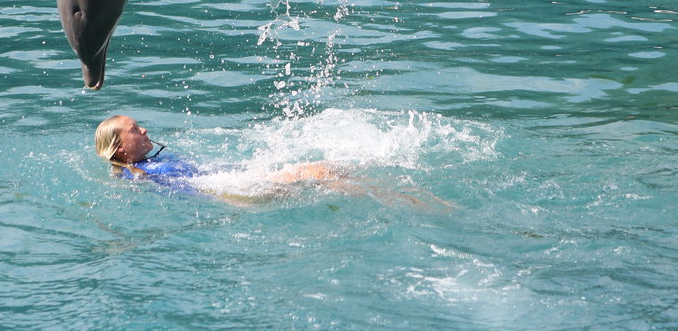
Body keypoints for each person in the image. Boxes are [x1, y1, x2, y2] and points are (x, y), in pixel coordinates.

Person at [94, 114, 450, 207]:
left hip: (229, 184)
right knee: (323, 173)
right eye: (134, 130)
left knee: (328, 169)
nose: (144, 130)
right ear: (120, 148)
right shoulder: (139, 174)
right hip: (231, 194)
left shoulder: (152, 163)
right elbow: (189, 189)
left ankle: (398, 196)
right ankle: (409, 201)